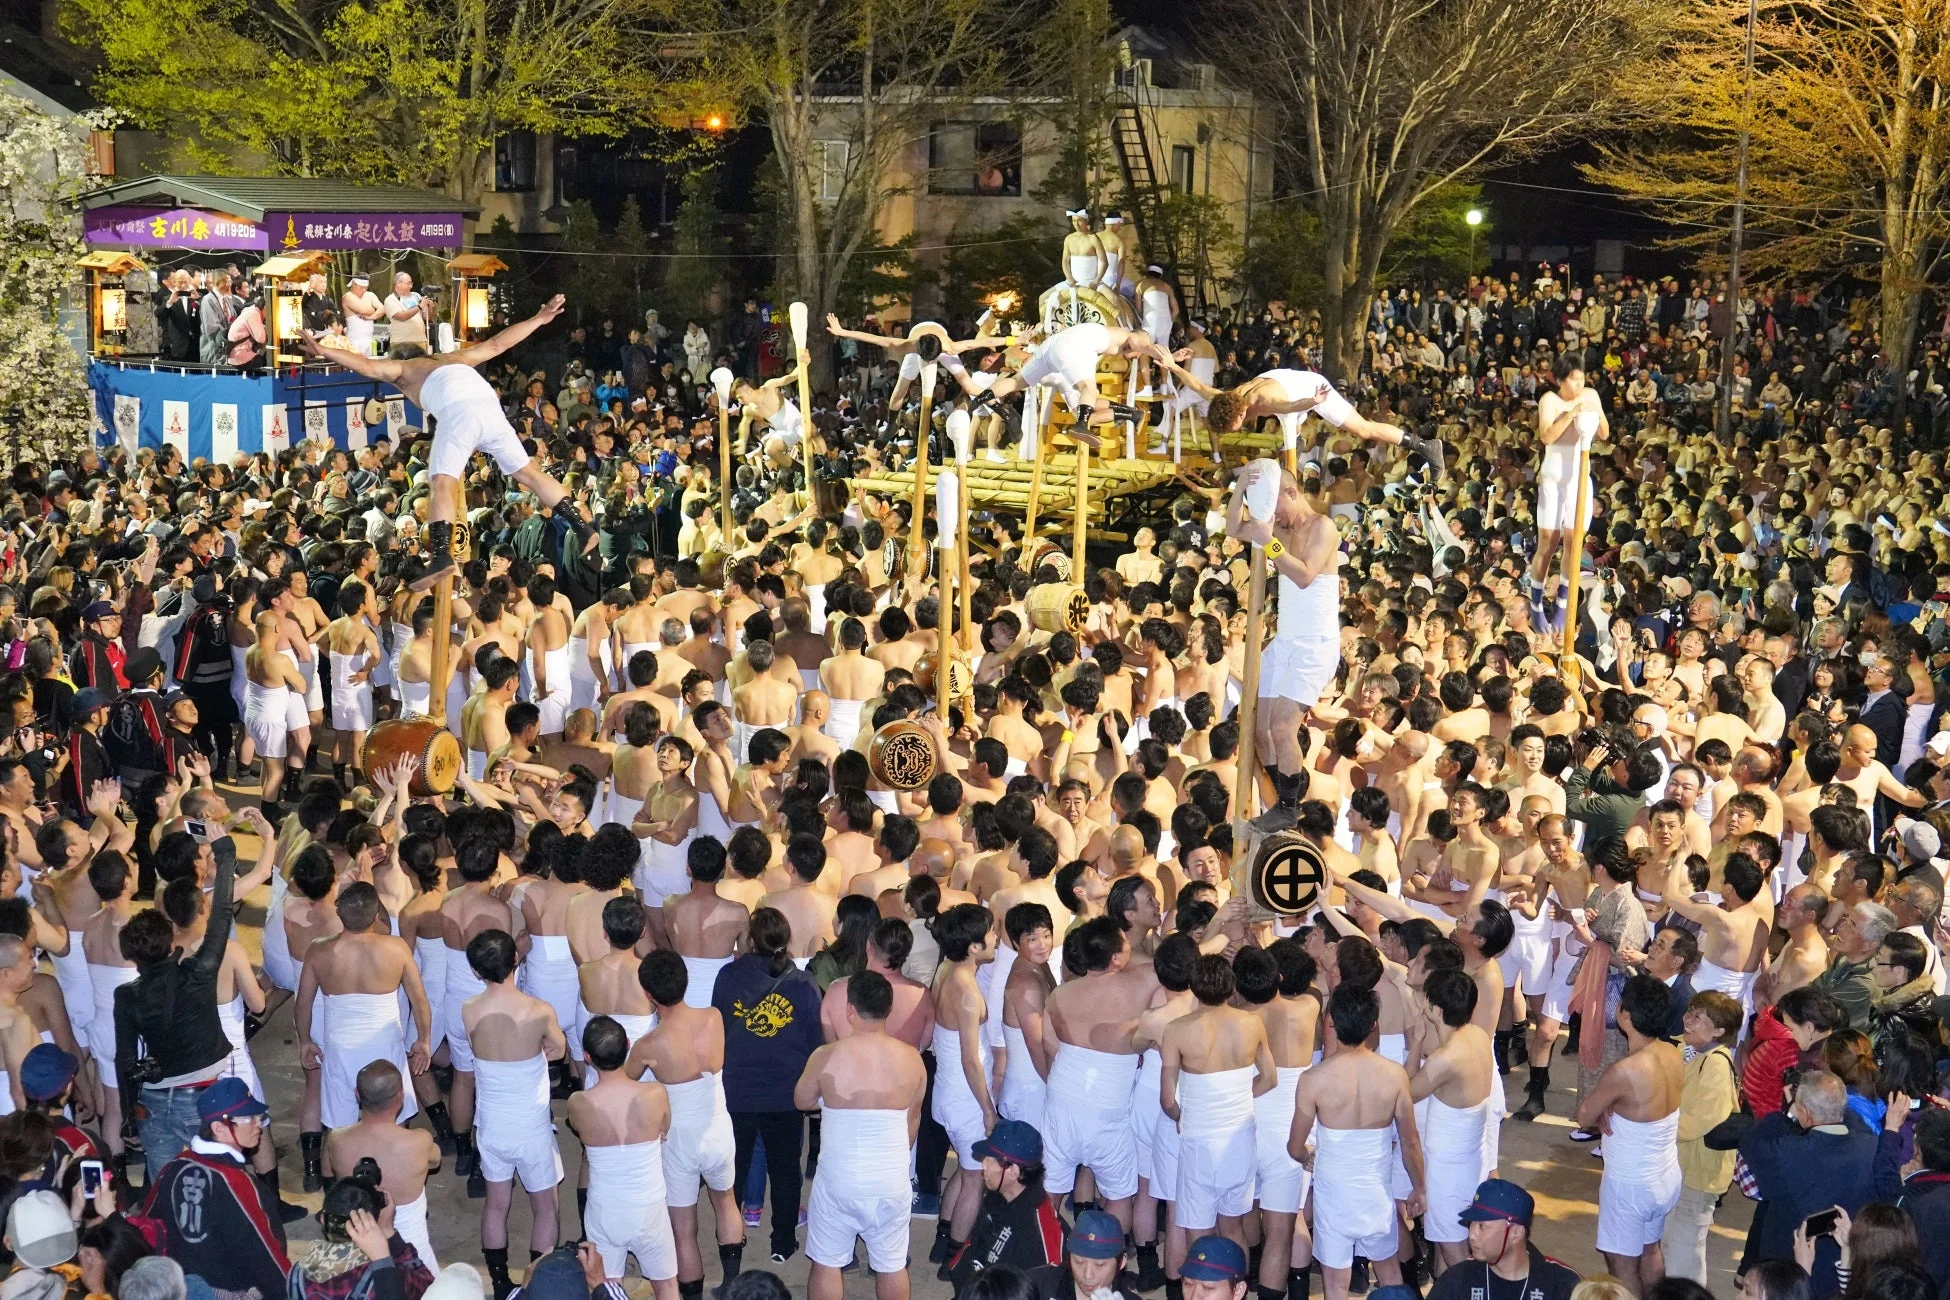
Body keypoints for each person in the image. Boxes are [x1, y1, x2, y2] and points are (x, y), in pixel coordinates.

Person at [301, 297, 593, 589]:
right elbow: (497, 344)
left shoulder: (404, 370)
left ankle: (441, 556)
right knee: (530, 474)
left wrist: (322, 349)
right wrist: (539, 318)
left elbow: (366, 366)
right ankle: (582, 526)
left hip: (459, 412)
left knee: (442, 483)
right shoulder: (454, 357)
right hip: (491, 409)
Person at [792, 969, 927, 1300]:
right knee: (892, 1264)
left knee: (826, 1264)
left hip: (839, 1179)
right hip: (890, 1182)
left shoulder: (826, 1057)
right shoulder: (912, 1059)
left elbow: (802, 1101)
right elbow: (913, 1122)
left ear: (850, 1010)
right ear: (888, 1010)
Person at [1577, 974, 1684, 1294]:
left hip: (1630, 1185)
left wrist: (1604, 1107)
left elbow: (1584, 1117)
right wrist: (1613, 1106)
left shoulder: (1624, 1071)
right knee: (1651, 1250)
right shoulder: (1672, 1054)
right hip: (1665, 1176)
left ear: (1625, 1014)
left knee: (1621, 1265)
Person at [142, 1078, 290, 1300]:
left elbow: (147, 1226)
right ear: (219, 1127)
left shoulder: (172, 1167)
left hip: (177, 1288)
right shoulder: (238, 1183)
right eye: (249, 1118)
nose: (258, 1123)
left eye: (258, 1116)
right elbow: (267, 1257)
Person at [567, 1015, 678, 1300]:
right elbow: (664, 1127)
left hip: (605, 1210)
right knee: (666, 1286)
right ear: (628, 1046)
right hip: (649, 1207)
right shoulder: (654, 1094)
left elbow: (581, 1133)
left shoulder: (579, 1103)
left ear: (588, 1057)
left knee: (606, 1286)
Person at [945, 1119, 1066, 1294]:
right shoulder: (996, 1198)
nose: (983, 1165)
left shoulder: (1039, 1230)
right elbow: (972, 1253)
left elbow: (1048, 1288)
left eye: (990, 1160)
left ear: (1013, 1171)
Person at [1424, 1180, 1583, 1300]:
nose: (1472, 1234)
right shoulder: (1457, 1281)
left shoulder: (1562, 1285)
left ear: (1516, 1232)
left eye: (1482, 1226)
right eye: (1471, 1224)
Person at [1025, 1209, 1146, 1300]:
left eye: (1100, 1265)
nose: (1087, 1275)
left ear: (1121, 1263)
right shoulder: (1037, 1284)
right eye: (1078, 1261)